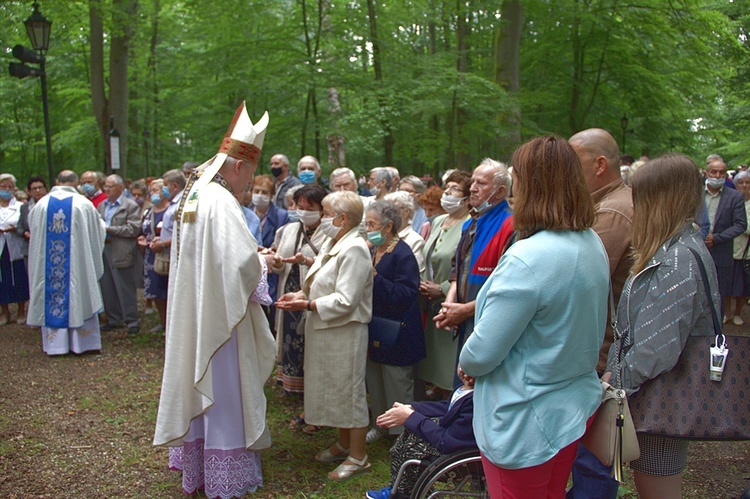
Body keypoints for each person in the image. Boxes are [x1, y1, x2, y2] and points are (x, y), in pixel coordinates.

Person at [460, 136, 609, 498]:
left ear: (531, 187)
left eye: (516, 181)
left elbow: (481, 353)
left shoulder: (529, 257)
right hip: (570, 404)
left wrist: (468, 363)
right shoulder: (590, 241)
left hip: (526, 416)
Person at [153, 103, 276, 498]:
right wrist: (263, 260)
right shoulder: (221, 201)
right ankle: (224, 468)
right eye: (252, 173)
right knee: (224, 389)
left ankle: (200, 462)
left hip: (198, 308)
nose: (251, 181)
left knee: (203, 380)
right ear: (239, 165)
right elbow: (240, 262)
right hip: (222, 319)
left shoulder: (195, 193)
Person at [604, 155, 721, 499]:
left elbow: (656, 348)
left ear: (657, 199)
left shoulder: (677, 260)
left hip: (663, 398)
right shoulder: (675, 249)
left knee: (658, 488)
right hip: (656, 394)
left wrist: (615, 382)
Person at [276, 191, 373, 481]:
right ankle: (344, 443)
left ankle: (359, 456)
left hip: (345, 331)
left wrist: (307, 304)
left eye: (327, 212)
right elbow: (322, 279)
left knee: (350, 391)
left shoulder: (355, 247)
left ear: (343, 219)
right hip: (326, 330)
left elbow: (346, 299)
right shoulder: (335, 240)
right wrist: (301, 293)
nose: (322, 217)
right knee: (334, 389)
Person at [567, 127, 634, 498]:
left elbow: (576, 282)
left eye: (573, 162)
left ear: (600, 164)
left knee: (592, 457)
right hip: (606, 349)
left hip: (601, 355)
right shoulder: (618, 202)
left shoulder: (611, 211)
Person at [433, 159, 514, 374]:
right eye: (473, 182)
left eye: (481, 183)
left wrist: (465, 310)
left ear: (500, 191)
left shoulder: (511, 226)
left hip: (488, 324)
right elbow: (456, 267)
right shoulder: (470, 223)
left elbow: (507, 287)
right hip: (464, 319)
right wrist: (450, 300)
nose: (473, 188)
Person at [364, 200, 425, 444]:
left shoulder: (403, 253)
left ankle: (402, 436)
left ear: (388, 226)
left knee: (397, 385)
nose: (368, 229)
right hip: (374, 327)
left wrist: (376, 278)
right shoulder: (371, 250)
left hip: (398, 333)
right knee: (375, 382)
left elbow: (406, 295)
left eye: (372, 224)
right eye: (366, 224)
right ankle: (380, 426)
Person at [366, 365, 477, 499]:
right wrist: (413, 408)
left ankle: (404, 493)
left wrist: (411, 417)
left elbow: (448, 442)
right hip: (451, 441)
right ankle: (399, 488)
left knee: (411, 450)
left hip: (459, 454)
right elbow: (448, 408)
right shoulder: (466, 390)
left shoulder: (475, 400)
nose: (463, 371)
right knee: (403, 441)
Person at [26, 170, 106, 354]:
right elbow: (98, 230)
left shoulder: (41, 205)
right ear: (76, 182)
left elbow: (35, 233)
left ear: (56, 182)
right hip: (77, 266)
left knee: (52, 291)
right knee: (79, 290)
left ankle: (57, 345)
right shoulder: (84, 204)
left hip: (49, 266)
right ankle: (83, 343)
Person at [271, 185, 328, 432]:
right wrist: (273, 261)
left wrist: (305, 260)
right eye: (299, 207)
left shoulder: (328, 232)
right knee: (289, 340)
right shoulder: (289, 229)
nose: (303, 213)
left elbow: (329, 264)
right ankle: (293, 388)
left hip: (314, 296)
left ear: (322, 209)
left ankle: (315, 407)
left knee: (311, 349)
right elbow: (278, 260)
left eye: (310, 209)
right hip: (289, 290)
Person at [419, 170, 472, 397]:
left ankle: (450, 401)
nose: (448, 192)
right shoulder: (439, 220)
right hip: (430, 302)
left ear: (468, 197)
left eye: (455, 189)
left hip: (453, 302)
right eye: (447, 187)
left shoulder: (471, 223)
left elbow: (466, 267)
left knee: (450, 363)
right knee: (433, 361)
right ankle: (438, 394)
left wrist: (441, 289)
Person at [97, 174, 141, 335]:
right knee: (107, 284)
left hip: (121, 248)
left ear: (120, 188)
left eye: (110, 186)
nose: (106, 189)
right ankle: (114, 318)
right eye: (105, 186)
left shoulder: (130, 206)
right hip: (104, 248)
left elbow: (134, 229)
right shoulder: (101, 206)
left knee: (124, 286)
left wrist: (110, 229)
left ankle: (132, 320)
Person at [703, 159, 747, 319]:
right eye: (714, 171)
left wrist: (716, 238)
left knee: (718, 296)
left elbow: (741, 225)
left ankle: (716, 336)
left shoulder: (734, 197)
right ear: (707, 173)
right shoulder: (695, 194)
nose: (717, 175)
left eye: (722, 172)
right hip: (696, 251)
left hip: (721, 253)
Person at [137, 179, 170, 333]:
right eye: (151, 191)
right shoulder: (149, 211)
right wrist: (143, 239)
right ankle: (162, 321)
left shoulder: (171, 210)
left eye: (156, 190)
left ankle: (171, 324)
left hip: (167, 254)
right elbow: (144, 230)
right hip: (151, 255)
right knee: (156, 289)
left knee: (168, 289)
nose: (153, 194)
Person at [0, 174, 30, 324]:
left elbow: (23, 225)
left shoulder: (20, 205)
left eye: (10, 187)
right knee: (2, 278)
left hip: (15, 245)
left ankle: (21, 310)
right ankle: (4, 312)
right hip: (1, 246)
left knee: (19, 276)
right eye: (3, 186)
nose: (6, 189)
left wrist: (15, 229)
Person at [727, 170, 750, 325]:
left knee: (744, 285)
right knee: (727, 284)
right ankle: (727, 312)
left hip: (747, 252)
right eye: (741, 182)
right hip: (729, 249)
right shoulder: (729, 201)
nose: (744, 185)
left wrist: (738, 226)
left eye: (747, 182)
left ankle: (738, 313)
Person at [384, 191, 426, 275]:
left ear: (407, 212)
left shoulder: (415, 240)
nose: (387, 214)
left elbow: (415, 274)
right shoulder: (383, 236)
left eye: (393, 209)